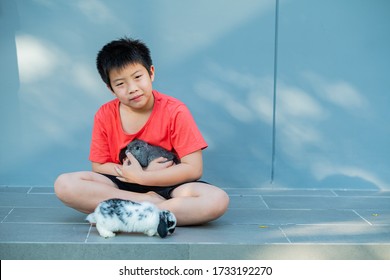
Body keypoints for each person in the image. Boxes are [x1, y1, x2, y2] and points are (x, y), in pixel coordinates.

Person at [54, 37, 229, 226]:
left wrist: (144, 176)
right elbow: (99, 166)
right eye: (120, 84)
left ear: (151, 73)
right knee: (64, 185)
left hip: (167, 184)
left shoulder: (175, 110)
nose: (132, 89)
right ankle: (151, 207)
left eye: (138, 77)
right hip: (121, 183)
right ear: (110, 88)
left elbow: (194, 168)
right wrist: (134, 175)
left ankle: (124, 213)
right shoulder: (105, 114)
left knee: (217, 200)